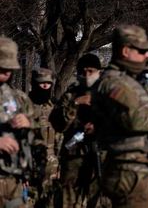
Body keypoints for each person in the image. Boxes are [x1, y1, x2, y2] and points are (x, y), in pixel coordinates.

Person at [91, 25, 148, 207]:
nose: (147, 56)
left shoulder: (129, 81)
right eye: (141, 51)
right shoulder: (114, 83)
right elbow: (135, 120)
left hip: (140, 167)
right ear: (125, 51)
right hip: (128, 170)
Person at [51, 53, 103, 208]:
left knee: (98, 199)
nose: (87, 76)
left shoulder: (107, 93)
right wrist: (75, 103)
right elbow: (57, 123)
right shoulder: (70, 94)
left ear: (99, 72)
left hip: (100, 155)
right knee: (68, 199)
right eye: (83, 72)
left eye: (91, 72)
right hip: (74, 155)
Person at [0, 38, 35, 206]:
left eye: (9, 69)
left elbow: (34, 138)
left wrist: (28, 125)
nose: (6, 73)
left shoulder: (18, 98)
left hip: (14, 180)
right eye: (2, 68)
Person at [29, 68, 60, 207]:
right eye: (42, 83)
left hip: (51, 167)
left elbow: (60, 137)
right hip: (29, 165)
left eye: (48, 83)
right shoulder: (24, 105)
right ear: (35, 84)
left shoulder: (54, 108)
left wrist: (60, 166)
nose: (45, 86)